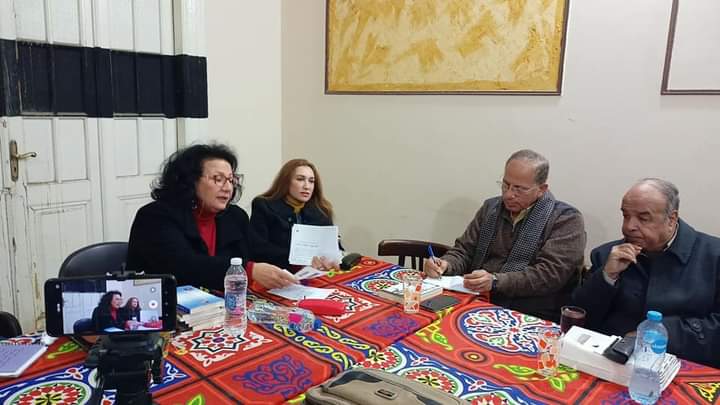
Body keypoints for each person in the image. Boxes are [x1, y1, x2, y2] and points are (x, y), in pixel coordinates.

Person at [424, 149, 586, 322]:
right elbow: (464, 250)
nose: (509, 194)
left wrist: (495, 281)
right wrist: (446, 264)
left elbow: (549, 275)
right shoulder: (491, 208)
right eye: (505, 185)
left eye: (519, 189)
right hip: (476, 298)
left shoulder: (566, 219)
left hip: (532, 312)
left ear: (541, 189)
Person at [572, 178, 720, 368]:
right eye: (626, 216)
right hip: (611, 364)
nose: (629, 226)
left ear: (671, 219)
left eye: (643, 218)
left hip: (686, 366)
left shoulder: (713, 257)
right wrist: (607, 276)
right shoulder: (606, 255)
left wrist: (658, 334)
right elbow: (578, 317)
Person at [126, 144, 297, 290]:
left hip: (218, 305)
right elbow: (184, 266)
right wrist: (248, 270)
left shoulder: (234, 216)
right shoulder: (155, 216)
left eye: (231, 180)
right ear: (191, 180)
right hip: (165, 306)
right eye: (218, 179)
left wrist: (299, 260)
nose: (227, 188)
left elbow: (259, 251)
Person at [249, 158, 340, 272]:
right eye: (300, 179)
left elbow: (334, 247)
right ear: (286, 182)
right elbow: (258, 249)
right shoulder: (264, 206)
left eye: (311, 181)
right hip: (278, 272)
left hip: (318, 273)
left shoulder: (322, 209)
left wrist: (333, 259)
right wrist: (300, 261)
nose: (307, 186)